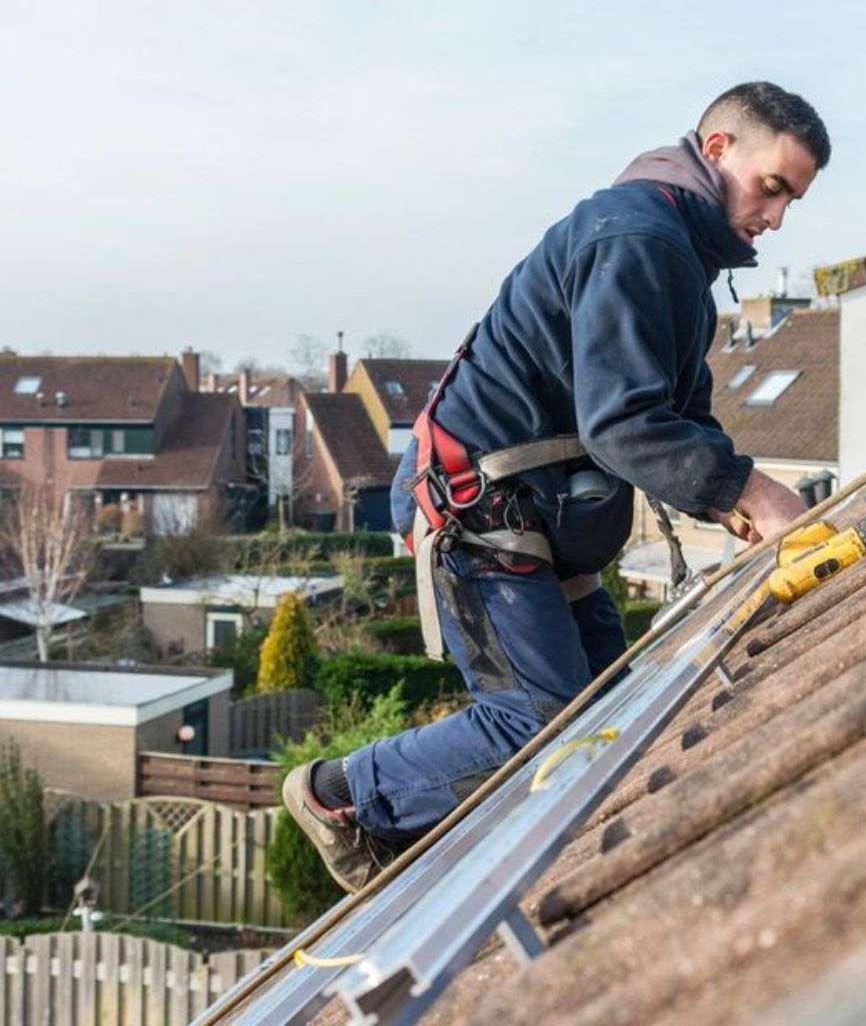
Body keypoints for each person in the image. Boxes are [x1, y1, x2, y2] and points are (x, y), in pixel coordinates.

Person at [284, 81, 832, 891]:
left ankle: (513, 857)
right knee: (547, 726)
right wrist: (749, 493)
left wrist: (728, 498)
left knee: (615, 717)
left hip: (544, 510)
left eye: (794, 199)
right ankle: (341, 796)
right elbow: (623, 424)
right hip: (479, 506)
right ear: (718, 150)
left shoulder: (676, 257)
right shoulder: (638, 239)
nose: (778, 217)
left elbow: (679, 417)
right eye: (773, 187)